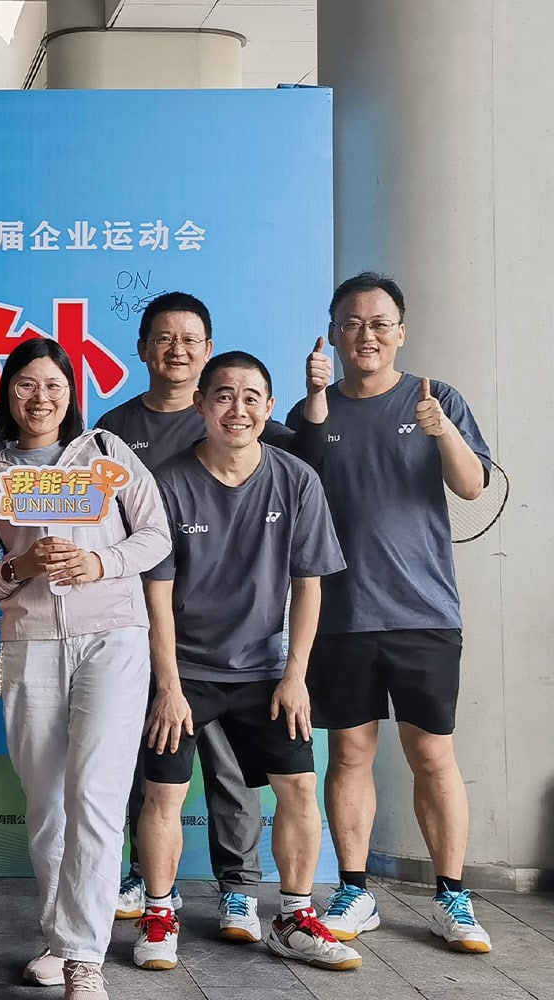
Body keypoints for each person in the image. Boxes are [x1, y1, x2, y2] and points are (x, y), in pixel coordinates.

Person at [132, 352, 359, 974]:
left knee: (299, 787)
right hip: (185, 670)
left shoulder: (296, 479)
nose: (238, 409)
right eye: (224, 396)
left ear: (268, 406)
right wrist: (168, 686)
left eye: (252, 397)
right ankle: (159, 913)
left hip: (266, 670)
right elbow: (155, 594)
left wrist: (295, 677)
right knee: (163, 792)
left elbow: (308, 585)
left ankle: (293, 917)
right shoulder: (166, 482)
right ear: (201, 404)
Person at [287, 272, 494, 953]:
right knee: (350, 752)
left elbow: (471, 486)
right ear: (333, 333)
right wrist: (315, 403)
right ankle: (355, 889)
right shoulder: (314, 411)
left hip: (423, 609)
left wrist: (443, 432)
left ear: (400, 332)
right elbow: (298, 479)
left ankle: (452, 896)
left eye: (379, 323)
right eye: (352, 323)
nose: (366, 335)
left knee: (431, 752)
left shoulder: (436, 398)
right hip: (339, 613)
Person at [0, 337, 171, 999]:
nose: (40, 396)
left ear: (71, 393)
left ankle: (84, 957)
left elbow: (156, 534)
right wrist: (18, 567)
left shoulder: (107, 452)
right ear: (8, 393)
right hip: (32, 646)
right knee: (47, 805)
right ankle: (60, 938)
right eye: (26, 384)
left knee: (96, 797)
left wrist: (100, 562)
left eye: (53, 384)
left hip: (112, 640)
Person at [95, 291, 289, 939]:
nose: (176, 350)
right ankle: (147, 880)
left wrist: (319, 402)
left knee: (231, 768)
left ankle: (239, 887)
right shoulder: (114, 428)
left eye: (189, 340)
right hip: (136, 623)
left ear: (207, 351)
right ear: (143, 349)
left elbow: (306, 467)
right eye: (163, 338)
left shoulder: (246, 421)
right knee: (147, 757)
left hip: (232, 636)